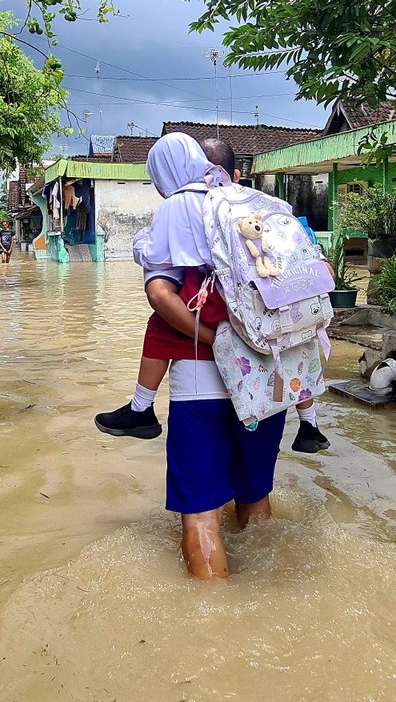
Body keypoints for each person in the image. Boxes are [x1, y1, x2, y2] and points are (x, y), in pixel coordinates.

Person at [104, 132, 290, 579]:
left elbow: (159, 295)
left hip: (201, 382)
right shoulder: (256, 204)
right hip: (269, 377)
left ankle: (214, 626)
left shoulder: (176, 211)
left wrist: (213, 339)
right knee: (255, 499)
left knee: (203, 515)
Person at [95, 137, 331, 453]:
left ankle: (142, 407)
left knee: (162, 320)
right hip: (269, 307)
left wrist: (142, 240)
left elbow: (159, 267)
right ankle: (309, 423)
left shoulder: (179, 203)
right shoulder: (243, 198)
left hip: (215, 320)